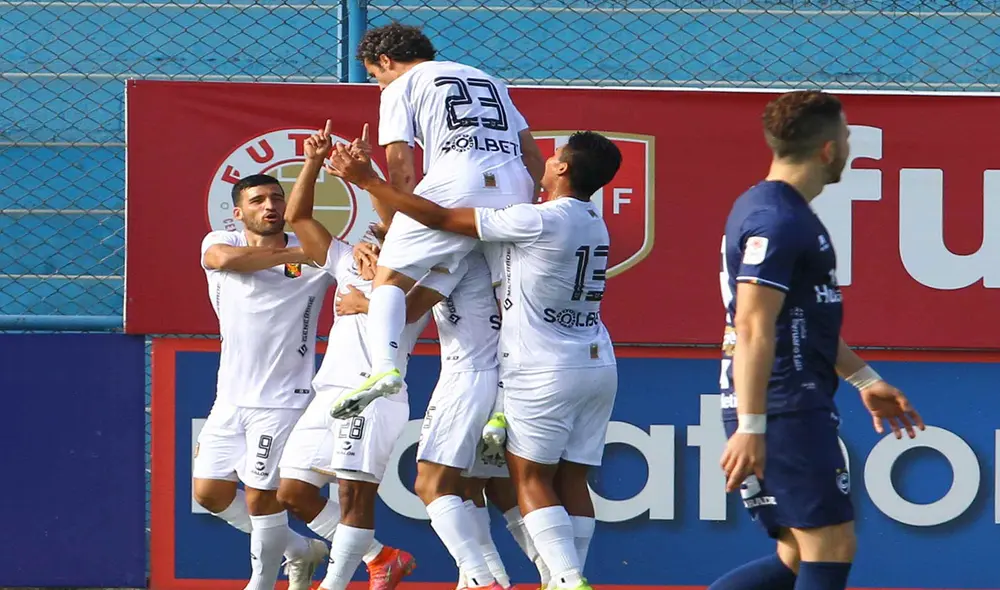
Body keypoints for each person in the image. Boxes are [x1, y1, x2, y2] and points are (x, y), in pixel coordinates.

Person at [324, 130, 624, 590]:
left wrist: (368, 182)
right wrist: (390, 225)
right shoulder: (592, 222)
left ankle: (550, 578)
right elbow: (426, 223)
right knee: (551, 482)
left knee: (507, 480)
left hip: (529, 368)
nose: (544, 160)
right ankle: (542, 575)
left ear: (563, 168)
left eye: (554, 155)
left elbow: (439, 220)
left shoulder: (528, 222)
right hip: (596, 358)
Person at [711, 90, 925, 590]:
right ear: (829, 149)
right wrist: (752, 425)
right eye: (846, 137)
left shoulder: (775, 209)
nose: (848, 147)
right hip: (782, 406)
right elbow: (753, 325)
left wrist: (864, 379)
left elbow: (803, 320)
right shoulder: (777, 220)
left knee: (795, 554)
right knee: (832, 544)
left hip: (782, 403)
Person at [330, 22, 543, 420]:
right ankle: (503, 407)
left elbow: (401, 167)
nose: (378, 84)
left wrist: (398, 225)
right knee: (505, 299)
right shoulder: (489, 80)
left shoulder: (400, 86)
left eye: (374, 75)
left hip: (454, 185)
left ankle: (383, 368)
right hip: (514, 188)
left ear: (385, 60)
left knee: (390, 278)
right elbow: (531, 153)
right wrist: (523, 202)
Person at [278, 123, 435, 590]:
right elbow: (298, 217)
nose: (386, 231)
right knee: (292, 491)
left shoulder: (424, 270)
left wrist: (364, 302)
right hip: (329, 392)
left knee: (353, 496)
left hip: (375, 393)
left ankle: (336, 584)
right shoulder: (349, 258)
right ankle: (381, 556)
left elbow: (410, 313)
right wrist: (313, 162)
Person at [195, 173, 330, 590]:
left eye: (276, 198)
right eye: (257, 200)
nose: (269, 206)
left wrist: (316, 257)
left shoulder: (318, 257)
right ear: (238, 213)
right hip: (230, 398)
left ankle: (262, 583)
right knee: (209, 493)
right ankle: (300, 550)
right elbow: (224, 261)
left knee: (261, 495)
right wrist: (302, 255)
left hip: (283, 399)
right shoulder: (222, 242)